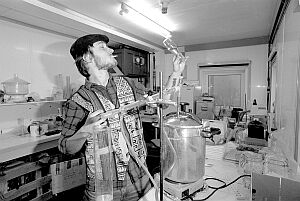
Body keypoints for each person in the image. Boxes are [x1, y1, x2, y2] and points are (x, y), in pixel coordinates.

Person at [58, 34, 186, 201]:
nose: (111, 49)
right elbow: (64, 146)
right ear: (88, 57)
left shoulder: (128, 84)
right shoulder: (77, 101)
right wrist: (85, 130)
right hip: (104, 187)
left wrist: (176, 72)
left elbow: (162, 101)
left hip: (141, 178)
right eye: (102, 47)